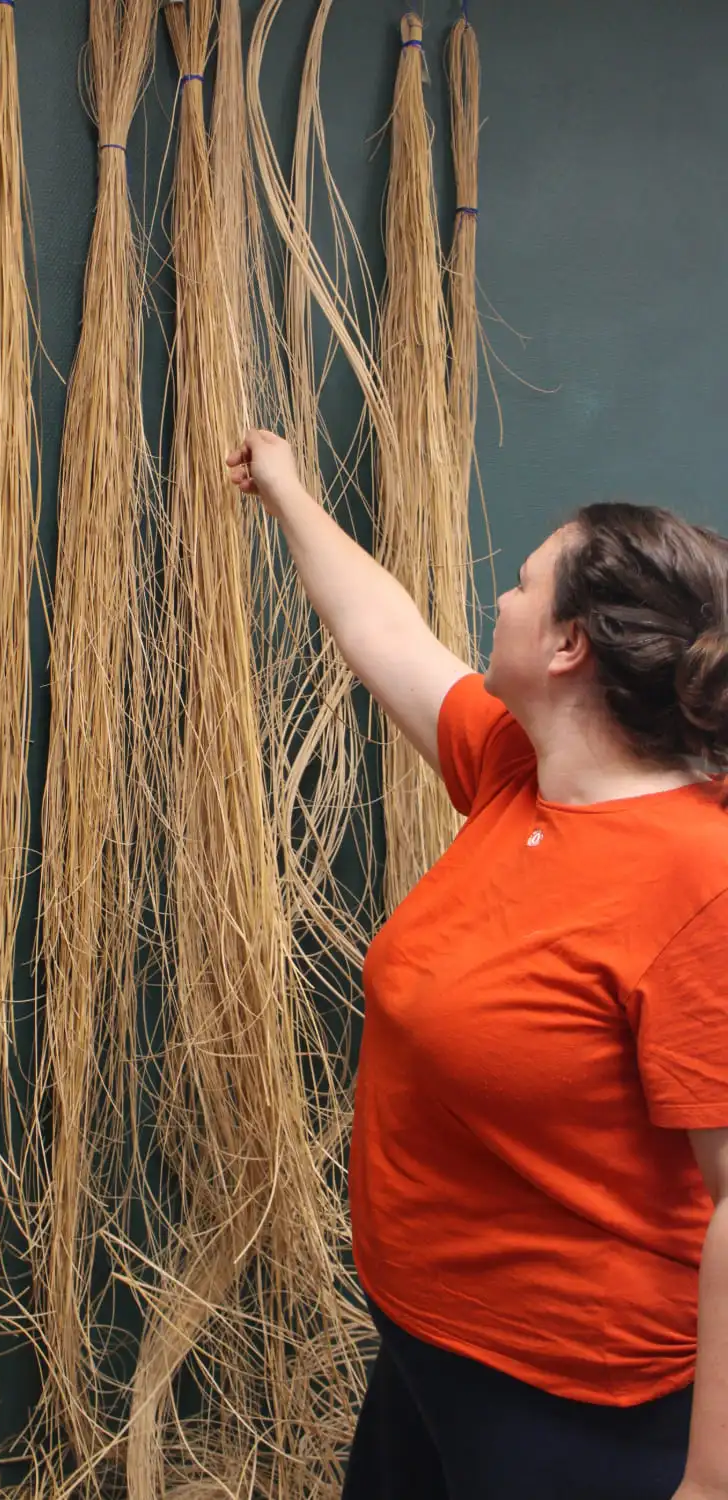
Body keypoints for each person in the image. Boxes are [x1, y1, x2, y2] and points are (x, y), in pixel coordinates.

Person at [226, 430, 728, 1500]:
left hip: (575, 1398)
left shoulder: (700, 880)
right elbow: (382, 628)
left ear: (568, 648)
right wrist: (288, 493)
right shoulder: (521, 772)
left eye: (522, 581)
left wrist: (713, 1479)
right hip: (430, 1342)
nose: (497, 597)